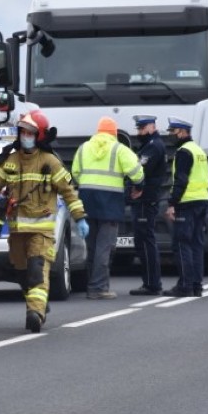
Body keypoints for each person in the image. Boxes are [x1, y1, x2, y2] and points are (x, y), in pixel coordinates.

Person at [0, 110, 89, 333]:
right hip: (17, 230)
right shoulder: (12, 159)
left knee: (37, 270)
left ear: (40, 136)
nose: (25, 135)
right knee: (22, 272)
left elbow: (69, 193)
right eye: (23, 131)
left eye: (30, 132)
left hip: (41, 230)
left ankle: (35, 313)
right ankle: (40, 303)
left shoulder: (50, 162)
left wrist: (80, 218)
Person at [72, 116, 144, 300]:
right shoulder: (119, 149)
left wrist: (88, 185)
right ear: (114, 133)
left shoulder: (83, 148)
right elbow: (136, 172)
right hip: (110, 201)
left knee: (92, 245)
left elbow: (75, 173)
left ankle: (91, 284)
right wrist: (137, 186)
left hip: (87, 198)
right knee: (106, 246)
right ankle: (99, 288)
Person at [163, 117, 208, 297]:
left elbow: (180, 180)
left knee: (182, 244)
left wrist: (172, 203)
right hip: (201, 200)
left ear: (182, 132)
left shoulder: (183, 152)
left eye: (173, 132)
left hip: (187, 202)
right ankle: (197, 285)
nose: (171, 135)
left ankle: (185, 285)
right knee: (197, 244)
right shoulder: (199, 150)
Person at [129, 115, 167, 296]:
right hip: (146, 199)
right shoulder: (150, 145)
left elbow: (141, 170)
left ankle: (152, 283)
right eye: (138, 129)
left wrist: (137, 187)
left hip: (145, 200)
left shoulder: (153, 146)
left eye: (142, 128)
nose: (139, 132)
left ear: (152, 127)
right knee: (144, 241)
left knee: (145, 242)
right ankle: (151, 282)